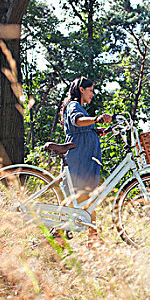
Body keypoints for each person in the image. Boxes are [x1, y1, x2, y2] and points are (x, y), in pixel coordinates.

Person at [60, 77, 112, 245]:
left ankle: (92, 236)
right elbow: (77, 121)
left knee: (87, 196)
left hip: (85, 155)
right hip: (80, 155)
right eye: (90, 90)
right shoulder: (74, 105)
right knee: (83, 194)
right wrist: (97, 119)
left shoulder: (79, 107)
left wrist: (95, 131)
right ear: (81, 90)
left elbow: (82, 126)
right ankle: (89, 237)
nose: (92, 94)